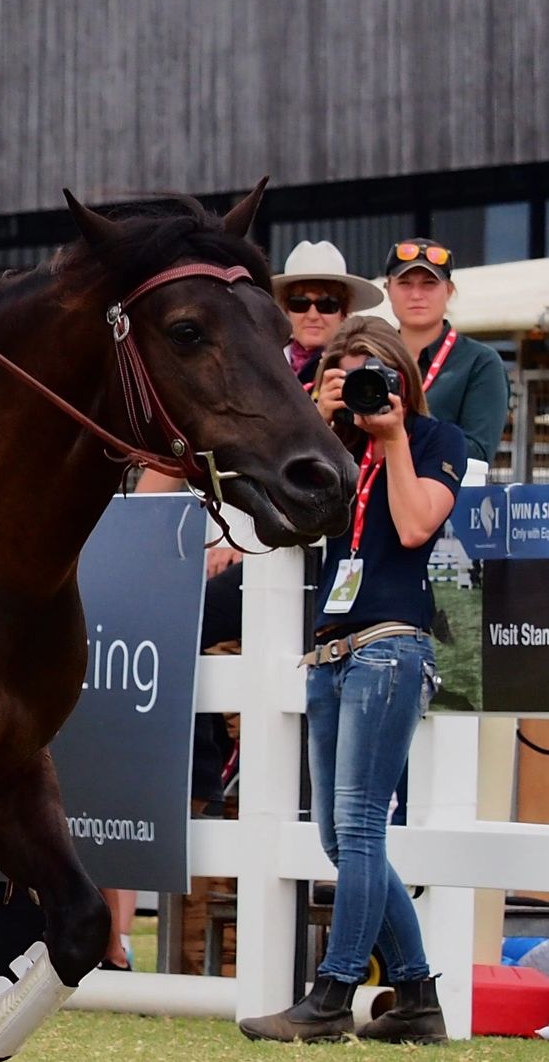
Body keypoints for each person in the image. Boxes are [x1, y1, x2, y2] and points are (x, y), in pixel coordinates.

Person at [239, 316, 463, 1044]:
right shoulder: (329, 448)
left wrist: (393, 438)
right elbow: (284, 523)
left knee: (362, 826)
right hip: (331, 654)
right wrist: (317, 419)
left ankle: (332, 994)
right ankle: (419, 1000)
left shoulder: (434, 441)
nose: (365, 388)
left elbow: (412, 526)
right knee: (342, 837)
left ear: (403, 377)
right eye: (347, 372)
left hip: (392, 648)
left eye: (375, 373)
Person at [382, 239, 512, 480]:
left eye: (429, 284)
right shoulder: (372, 358)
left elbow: (477, 453)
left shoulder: (480, 363)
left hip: (445, 506)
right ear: (388, 288)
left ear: (449, 290)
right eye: (405, 283)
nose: (416, 294)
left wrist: (399, 431)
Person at [273, 240, 383, 386]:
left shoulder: (363, 367)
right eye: (299, 304)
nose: (312, 316)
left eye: (326, 305)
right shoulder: (264, 365)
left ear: (344, 313)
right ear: (286, 311)